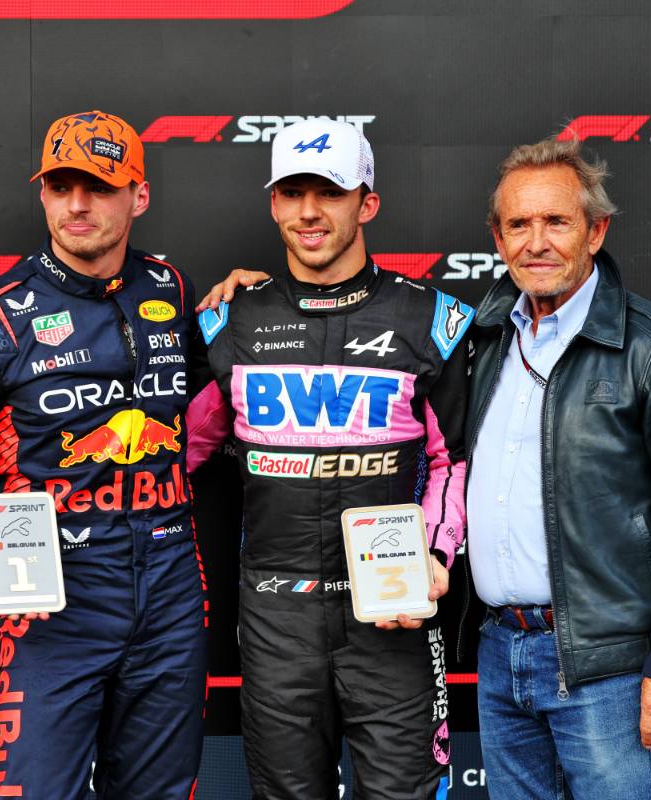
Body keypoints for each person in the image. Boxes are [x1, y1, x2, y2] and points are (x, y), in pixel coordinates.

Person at [0, 109, 207, 799]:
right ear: (43, 193)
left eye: (99, 186)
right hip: (55, 593)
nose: (77, 205)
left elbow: (207, 409)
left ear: (138, 195)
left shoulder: (171, 288)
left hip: (170, 585)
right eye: (60, 186)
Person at [187, 118, 474, 799]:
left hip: (392, 607)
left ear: (366, 202)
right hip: (274, 612)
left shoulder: (435, 320)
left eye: (331, 192)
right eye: (292, 193)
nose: (309, 212)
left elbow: (453, 460)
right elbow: (178, 454)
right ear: (273, 203)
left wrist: (434, 555)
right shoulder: (229, 321)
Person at [465, 137, 651, 799]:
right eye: (518, 224)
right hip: (502, 658)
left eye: (556, 221)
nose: (536, 242)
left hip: (610, 672)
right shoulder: (482, 337)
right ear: (497, 238)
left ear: (596, 230)